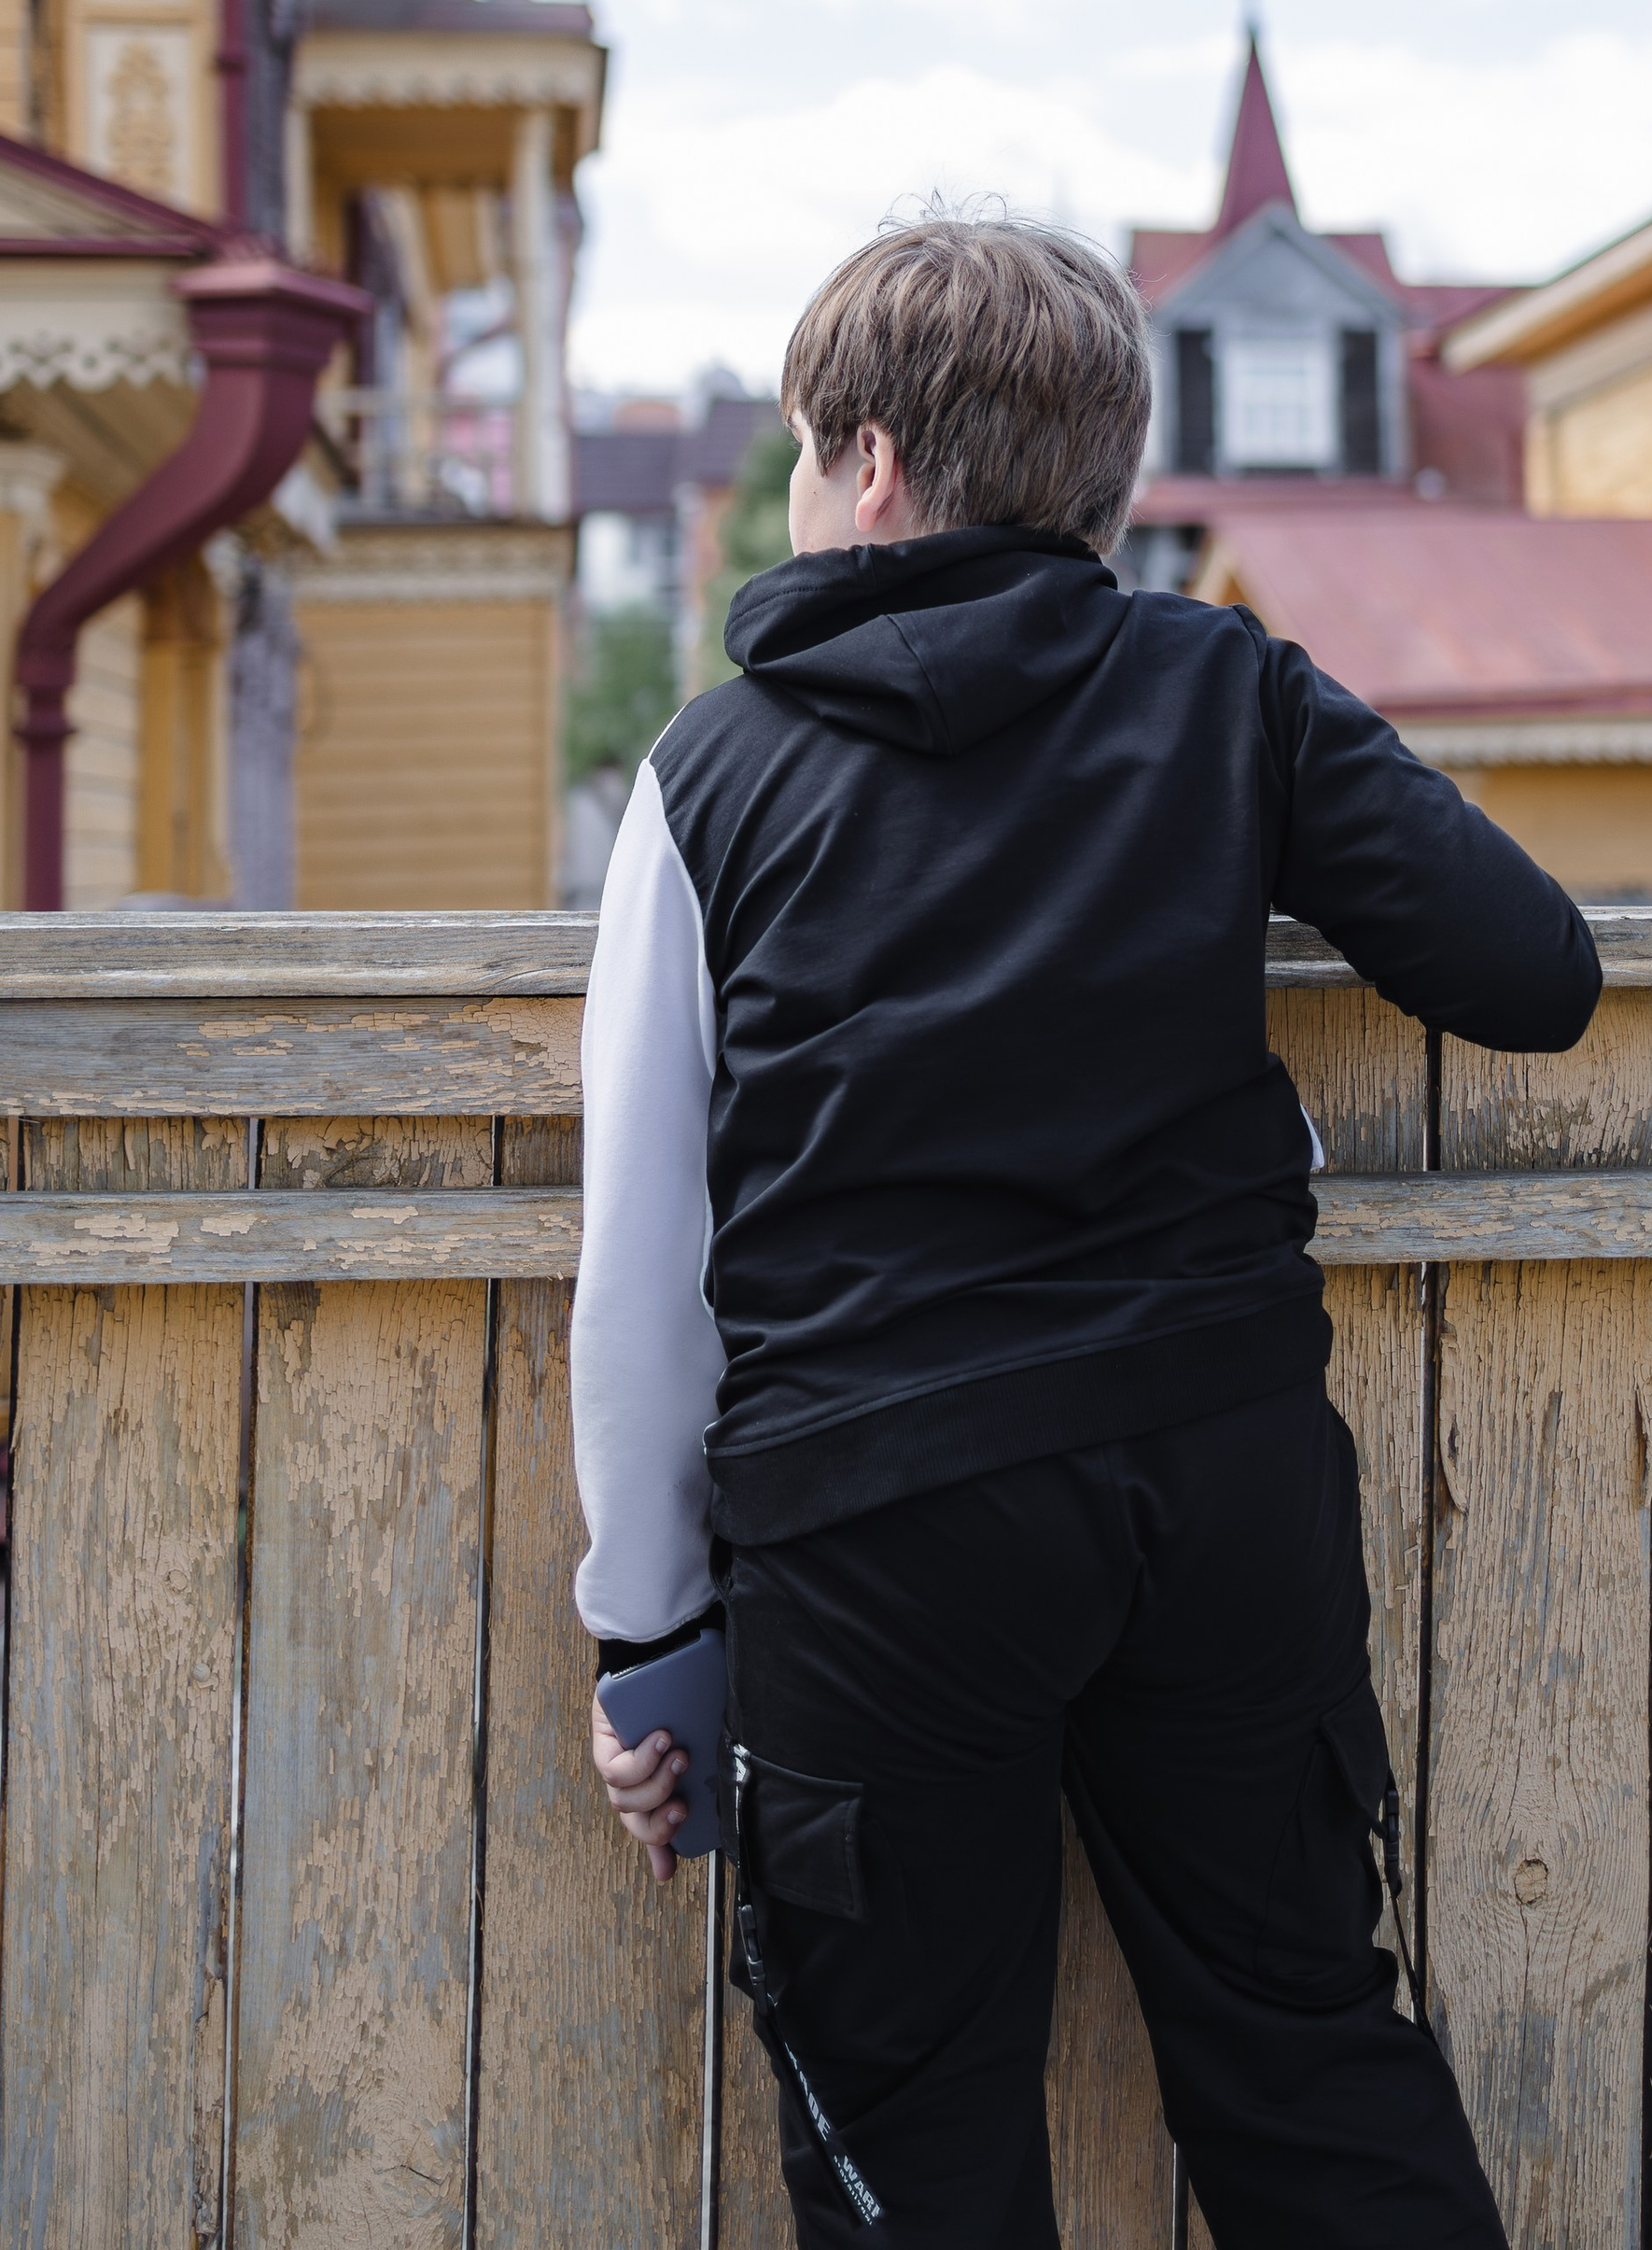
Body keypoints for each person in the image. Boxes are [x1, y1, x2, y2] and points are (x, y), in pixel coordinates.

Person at [571, 217, 1600, 2247]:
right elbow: (1529, 970)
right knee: (1308, 2050)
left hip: (882, 1528)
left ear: (864, 462)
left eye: (794, 444)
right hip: (1212, 1478)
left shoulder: (714, 773)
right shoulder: (1221, 688)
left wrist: (649, 1630)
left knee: (909, 2136)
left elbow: (645, 1241)